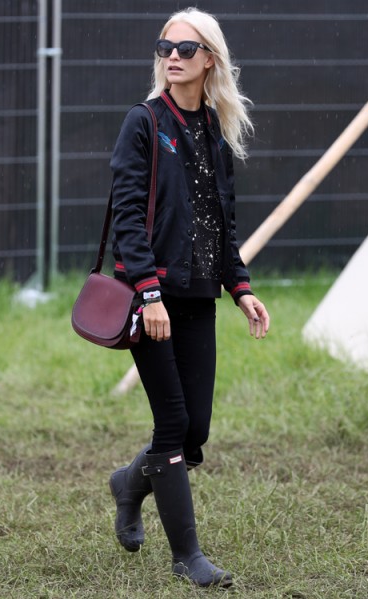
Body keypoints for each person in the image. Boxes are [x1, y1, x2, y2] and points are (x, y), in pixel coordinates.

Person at [107, 7, 270, 589]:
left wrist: (240, 287)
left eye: (186, 48)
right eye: (165, 46)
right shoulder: (145, 121)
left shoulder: (215, 135)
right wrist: (147, 292)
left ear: (211, 60)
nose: (172, 55)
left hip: (199, 295)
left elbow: (221, 223)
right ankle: (187, 556)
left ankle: (129, 484)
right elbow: (128, 213)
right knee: (172, 420)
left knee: (194, 430)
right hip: (149, 296)